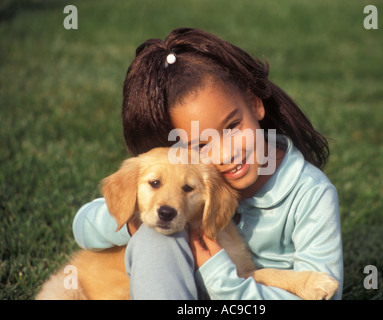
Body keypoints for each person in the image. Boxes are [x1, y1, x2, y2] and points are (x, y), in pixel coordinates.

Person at [73, 27, 343, 299]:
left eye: (233, 126)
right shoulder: (190, 178)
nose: (226, 154)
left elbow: (325, 293)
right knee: (156, 237)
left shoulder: (310, 193)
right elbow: (83, 226)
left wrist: (218, 274)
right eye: (200, 146)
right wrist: (133, 220)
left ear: (255, 105)